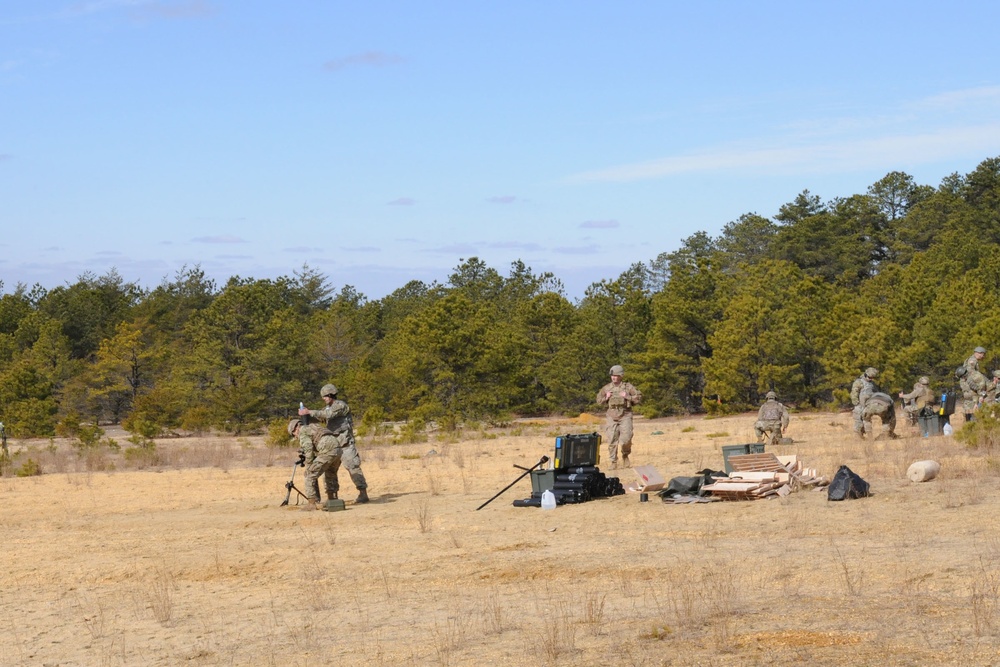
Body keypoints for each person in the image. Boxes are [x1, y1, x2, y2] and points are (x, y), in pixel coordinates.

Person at [299, 383, 369, 503]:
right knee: (330, 471)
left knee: (353, 467)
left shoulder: (340, 406)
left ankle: (363, 493)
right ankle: (332, 496)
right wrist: (305, 415)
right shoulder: (326, 409)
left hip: (346, 443)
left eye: (325, 396)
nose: (324, 398)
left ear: (331, 394)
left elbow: (328, 414)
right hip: (333, 446)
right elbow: (320, 417)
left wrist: (310, 411)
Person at [288, 419, 344, 511]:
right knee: (330, 474)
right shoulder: (314, 426)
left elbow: (308, 448)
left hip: (327, 450)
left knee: (309, 474)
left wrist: (309, 464)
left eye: (293, 433)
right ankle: (332, 500)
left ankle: (311, 503)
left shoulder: (303, 430)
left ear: (296, 428)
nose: (295, 436)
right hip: (337, 448)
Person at [596, 364, 642, 469]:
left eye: (616, 375)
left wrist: (628, 396)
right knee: (612, 438)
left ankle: (625, 454)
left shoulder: (628, 387)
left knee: (626, 438)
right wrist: (606, 398)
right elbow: (599, 401)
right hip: (611, 415)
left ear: (621, 376)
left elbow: (638, 397)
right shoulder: (607, 388)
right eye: (612, 375)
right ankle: (613, 461)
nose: (614, 377)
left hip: (625, 414)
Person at [850, 368, 879, 438]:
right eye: (869, 377)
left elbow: (876, 393)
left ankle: (870, 437)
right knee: (859, 421)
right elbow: (854, 393)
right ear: (865, 375)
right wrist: (856, 404)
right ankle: (859, 437)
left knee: (867, 420)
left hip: (868, 406)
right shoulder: (859, 382)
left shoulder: (872, 384)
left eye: (872, 378)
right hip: (859, 405)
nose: (871, 379)